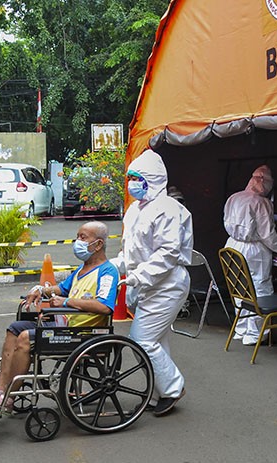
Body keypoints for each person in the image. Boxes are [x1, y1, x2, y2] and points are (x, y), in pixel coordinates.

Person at [0, 221, 119, 413]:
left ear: (98, 245)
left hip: (83, 333)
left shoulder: (107, 271)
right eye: (77, 236)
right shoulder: (82, 270)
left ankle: (8, 399)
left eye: (83, 238)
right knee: (14, 329)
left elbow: (104, 306)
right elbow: (61, 289)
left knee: (25, 338)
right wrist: (41, 290)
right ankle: (0, 388)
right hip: (65, 325)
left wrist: (66, 302)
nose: (77, 241)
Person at [117, 149, 194, 417]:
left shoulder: (169, 209)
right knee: (156, 341)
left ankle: (173, 388)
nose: (132, 184)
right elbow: (131, 251)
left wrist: (137, 277)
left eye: (137, 178)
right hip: (146, 284)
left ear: (153, 180)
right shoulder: (134, 211)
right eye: (130, 178)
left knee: (142, 339)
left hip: (167, 284)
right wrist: (114, 268)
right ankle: (158, 392)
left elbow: (167, 254)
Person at [223, 165, 277, 346]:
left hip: (232, 245)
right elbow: (268, 236)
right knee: (260, 290)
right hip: (254, 251)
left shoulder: (234, 198)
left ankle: (242, 329)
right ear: (266, 183)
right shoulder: (261, 203)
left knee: (240, 289)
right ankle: (256, 334)